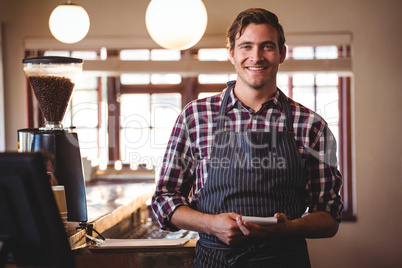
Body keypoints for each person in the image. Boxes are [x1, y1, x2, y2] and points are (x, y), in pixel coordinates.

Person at [152, 7, 343, 267]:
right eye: (246, 46)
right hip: (214, 260)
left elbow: (329, 216)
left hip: (284, 260)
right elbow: (164, 199)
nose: (256, 56)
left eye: (267, 46)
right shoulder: (195, 117)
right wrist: (211, 224)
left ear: (282, 53)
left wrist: (289, 228)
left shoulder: (310, 125)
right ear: (231, 54)